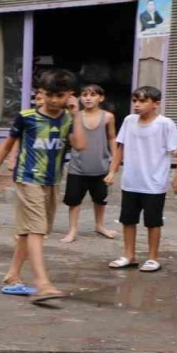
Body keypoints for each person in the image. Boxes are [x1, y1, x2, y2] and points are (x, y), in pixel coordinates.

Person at [0, 69, 87, 305]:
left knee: (31, 232)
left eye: (60, 95)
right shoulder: (26, 116)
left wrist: (77, 114)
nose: (54, 100)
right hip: (28, 178)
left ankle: (12, 275)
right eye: (49, 94)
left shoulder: (69, 119)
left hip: (52, 181)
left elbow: (80, 145)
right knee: (37, 230)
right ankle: (43, 283)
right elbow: (6, 146)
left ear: (70, 95)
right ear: (41, 93)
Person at [104, 87, 177, 272]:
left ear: (156, 104)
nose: (137, 105)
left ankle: (152, 258)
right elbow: (120, 147)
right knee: (128, 220)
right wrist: (112, 170)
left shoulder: (165, 124)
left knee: (153, 222)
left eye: (142, 101)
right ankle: (129, 255)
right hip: (131, 180)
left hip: (154, 183)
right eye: (135, 101)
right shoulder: (129, 120)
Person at [61, 85, 118, 243]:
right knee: (73, 200)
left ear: (101, 98)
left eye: (92, 95)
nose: (88, 98)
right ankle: (72, 230)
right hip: (77, 166)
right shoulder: (75, 115)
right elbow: (71, 140)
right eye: (84, 95)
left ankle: (99, 225)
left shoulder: (107, 117)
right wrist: (73, 115)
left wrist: (114, 162)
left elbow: (112, 138)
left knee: (100, 198)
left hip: (100, 165)